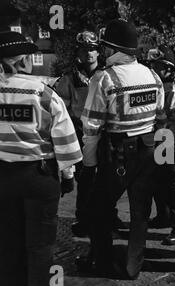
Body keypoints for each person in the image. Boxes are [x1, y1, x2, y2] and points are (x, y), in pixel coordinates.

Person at [78, 19, 166, 279]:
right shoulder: (153, 76)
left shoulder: (104, 78)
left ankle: (101, 263)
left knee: (99, 209)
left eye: (104, 47)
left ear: (113, 49)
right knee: (141, 212)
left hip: (118, 153)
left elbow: (92, 127)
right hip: (149, 150)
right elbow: (160, 117)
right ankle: (132, 267)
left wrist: (90, 164)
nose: (102, 52)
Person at [0, 31, 82, 286]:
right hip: (39, 177)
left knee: (8, 243)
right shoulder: (44, 94)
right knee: (40, 246)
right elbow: (66, 142)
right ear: (22, 61)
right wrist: (68, 177)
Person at [55, 31, 123, 237]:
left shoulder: (108, 75)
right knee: (85, 180)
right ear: (78, 52)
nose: (90, 54)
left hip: (105, 135)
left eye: (93, 49)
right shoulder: (68, 79)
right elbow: (62, 112)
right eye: (85, 49)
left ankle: (110, 215)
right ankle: (83, 217)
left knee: (108, 179)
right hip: (80, 134)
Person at [147, 45, 175, 246]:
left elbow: (170, 114)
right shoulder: (154, 86)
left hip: (174, 143)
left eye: (156, 66)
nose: (152, 69)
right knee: (156, 183)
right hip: (157, 141)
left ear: (167, 68)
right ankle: (163, 216)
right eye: (151, 65)